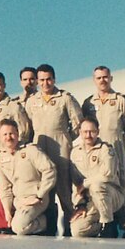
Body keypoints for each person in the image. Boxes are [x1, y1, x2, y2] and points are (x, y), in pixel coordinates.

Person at [25, 63, 83, 235]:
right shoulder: (32, 101)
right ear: (37, 81)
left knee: (64, 190)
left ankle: (69, 229)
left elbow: (78, 122)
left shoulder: (65, 98)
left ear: (54, 79)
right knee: (44, 192)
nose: (45, 83)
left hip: (61, 148)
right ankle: (48, 230)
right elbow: (28, 126)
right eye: (41, 80)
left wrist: (66, 138)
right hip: (40, 148)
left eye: (48, 79)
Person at [82, 65, 125, 238]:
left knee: (123, 185)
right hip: (97, 151)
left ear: (111, 78)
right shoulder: (89, 103)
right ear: (94, 80)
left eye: (105, 77)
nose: (102, 80)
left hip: (116, 148)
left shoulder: (120, 100)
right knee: (101, 185)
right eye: (98, 78)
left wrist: (117, 139)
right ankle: (107, 223)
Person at [0, 118, 56, 236]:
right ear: (0, 136)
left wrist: (40, 195)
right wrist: (7, 211)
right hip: (20, 201)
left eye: (11, 133)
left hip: (36, 198)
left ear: (17, 133)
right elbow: (4, 187)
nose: (8, 137)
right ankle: (35, 220)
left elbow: (50, 170)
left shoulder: (31, 150)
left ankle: (46, 221)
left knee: (19, 228)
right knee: (12, 225)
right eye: (5, 134)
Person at [69, 116, 125, 238]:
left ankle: (108, 225)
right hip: (92, 200)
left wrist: (86, 183)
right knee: (77, 231)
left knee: (96, 186)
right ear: (80, 133)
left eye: (92, 131)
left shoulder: (106, 150)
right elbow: (76, 183)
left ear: (98, 132)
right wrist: (80, 204)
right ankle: (101, 226)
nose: (88, 135)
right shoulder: (75, 153)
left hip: (111, 195)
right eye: (85, 132)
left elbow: (107, 174)